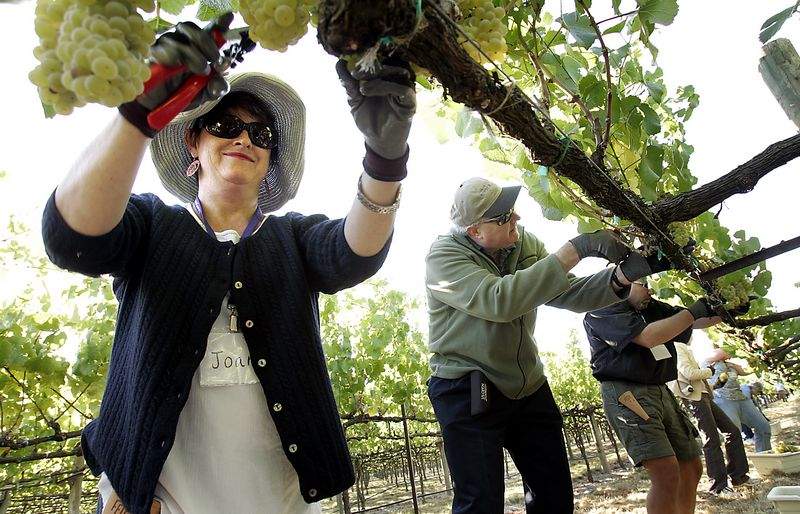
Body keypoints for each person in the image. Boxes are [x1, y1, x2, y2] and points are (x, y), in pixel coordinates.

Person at [41, 19, 416, 514]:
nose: (244, 138)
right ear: (193, 142)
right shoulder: (153, 226)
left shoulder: (292, 238)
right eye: (224, 125)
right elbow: (72, 239)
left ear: (270, 159)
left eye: (261, 133)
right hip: (163, 503)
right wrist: (138, 116)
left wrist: (385, 162)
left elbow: (355, 252)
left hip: (281, 502)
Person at [425, 177, 673, 514]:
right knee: (480, 503)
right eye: (503, 217)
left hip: (528, 385)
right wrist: (579, 248)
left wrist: (622, 276)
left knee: (553, 497)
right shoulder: (444, 257)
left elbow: (566, 292)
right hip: (467, 386)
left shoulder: (523, 243)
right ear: (475, 232)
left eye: (512, 210)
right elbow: (500, 300)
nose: (516, 218)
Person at [584, 282, 722, 514]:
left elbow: (693, 320)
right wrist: (694, 311)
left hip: (660, 390)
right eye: (643, 284)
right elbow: (649, 337)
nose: (650, 290)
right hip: (628, 394)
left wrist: (721, 310)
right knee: (665, 472)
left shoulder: (651, 307)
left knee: (691, 466)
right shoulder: (603, 309)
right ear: (623, 283)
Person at [670, 336, 750, 496]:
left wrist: (715, 385)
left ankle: (738, 476)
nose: (692, 336)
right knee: (711, 439)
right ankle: (718, 487)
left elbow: (695, 379)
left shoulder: (684, 348)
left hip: (703, 395)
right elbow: (689, 373)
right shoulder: (677, 346)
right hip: (694, 398)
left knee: (732, 431)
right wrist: (710, 371)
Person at [709, 354, 772, 452]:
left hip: (741, 398)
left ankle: (764, 456)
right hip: (723, 400)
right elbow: (722, 352)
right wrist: (728, 356)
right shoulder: (708, 360)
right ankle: (737, 461)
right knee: (734, 434)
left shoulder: (730, 364)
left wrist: (759, 361)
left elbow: (744, 371)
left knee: (763, 427)